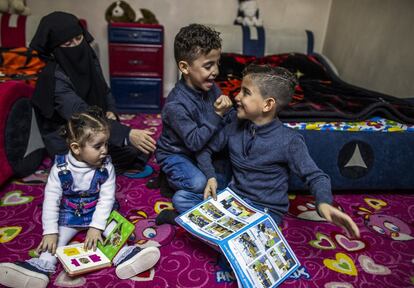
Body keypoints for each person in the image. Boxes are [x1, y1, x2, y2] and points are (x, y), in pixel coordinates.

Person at [177, 64, 360, 239]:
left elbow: (316, 176)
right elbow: (205, 149)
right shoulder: (234, 126)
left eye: (246, 93)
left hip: (265, 211)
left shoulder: (289, 141)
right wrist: (210, 176)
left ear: (267, 105)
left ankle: (203, 229)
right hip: (234, 200)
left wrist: (324, 203)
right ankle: (219, 231)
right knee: (181, 198)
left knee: (249, 239)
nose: (237, 97)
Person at [0, 107, 160, 288]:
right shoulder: (60, 169)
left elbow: (106, 199)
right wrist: (50, 232)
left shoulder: (106, 166)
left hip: (99, 212)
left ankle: (126, 256)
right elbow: (51, 201)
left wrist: (96, 227)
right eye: (98, 146)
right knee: (55, 240)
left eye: (106, 144)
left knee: (116, 229)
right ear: (76, 148)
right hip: (69, 215)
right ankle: (41, 267)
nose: (105, 150)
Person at [29, 11, 155, 174]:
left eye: (78, 39)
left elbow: (104, 89)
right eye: (67, 44)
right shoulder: (55, 78)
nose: (76, 46)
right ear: (54, 49)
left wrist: (111, 111)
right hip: (71, 136)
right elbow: (81, 116)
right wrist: (127, 133)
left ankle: (100, 165)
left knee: (140, 147)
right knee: (125, 144)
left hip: (97, 127)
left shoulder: (89, 55)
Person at [154, 24, 233, 225]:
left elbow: (224, 122)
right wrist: (217, 114)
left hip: (203, 149)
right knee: (199, 183)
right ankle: (173, 190)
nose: (216, 71)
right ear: (184, 67)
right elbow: (195, 143)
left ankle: (197, 207)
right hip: (178, 153)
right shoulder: (175, 105)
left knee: (230, 172)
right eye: (208, 66)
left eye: (217, 63)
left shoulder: (211, 87)